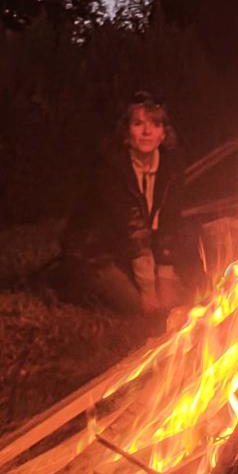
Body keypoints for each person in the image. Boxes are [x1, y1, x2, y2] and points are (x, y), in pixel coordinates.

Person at [59, 92, 190, 315]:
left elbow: (170, 220)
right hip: (99, 252)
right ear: (126, 132)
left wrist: (165, 276)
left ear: (163, 133)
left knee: (175, 301)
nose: (147, 132)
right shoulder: (111, 166)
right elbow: (132, 228)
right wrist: (149, 289)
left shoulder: (172, 166)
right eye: (138, 124)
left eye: (155, 124)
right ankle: (73, 277)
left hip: (137, 250)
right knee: (139, 306)